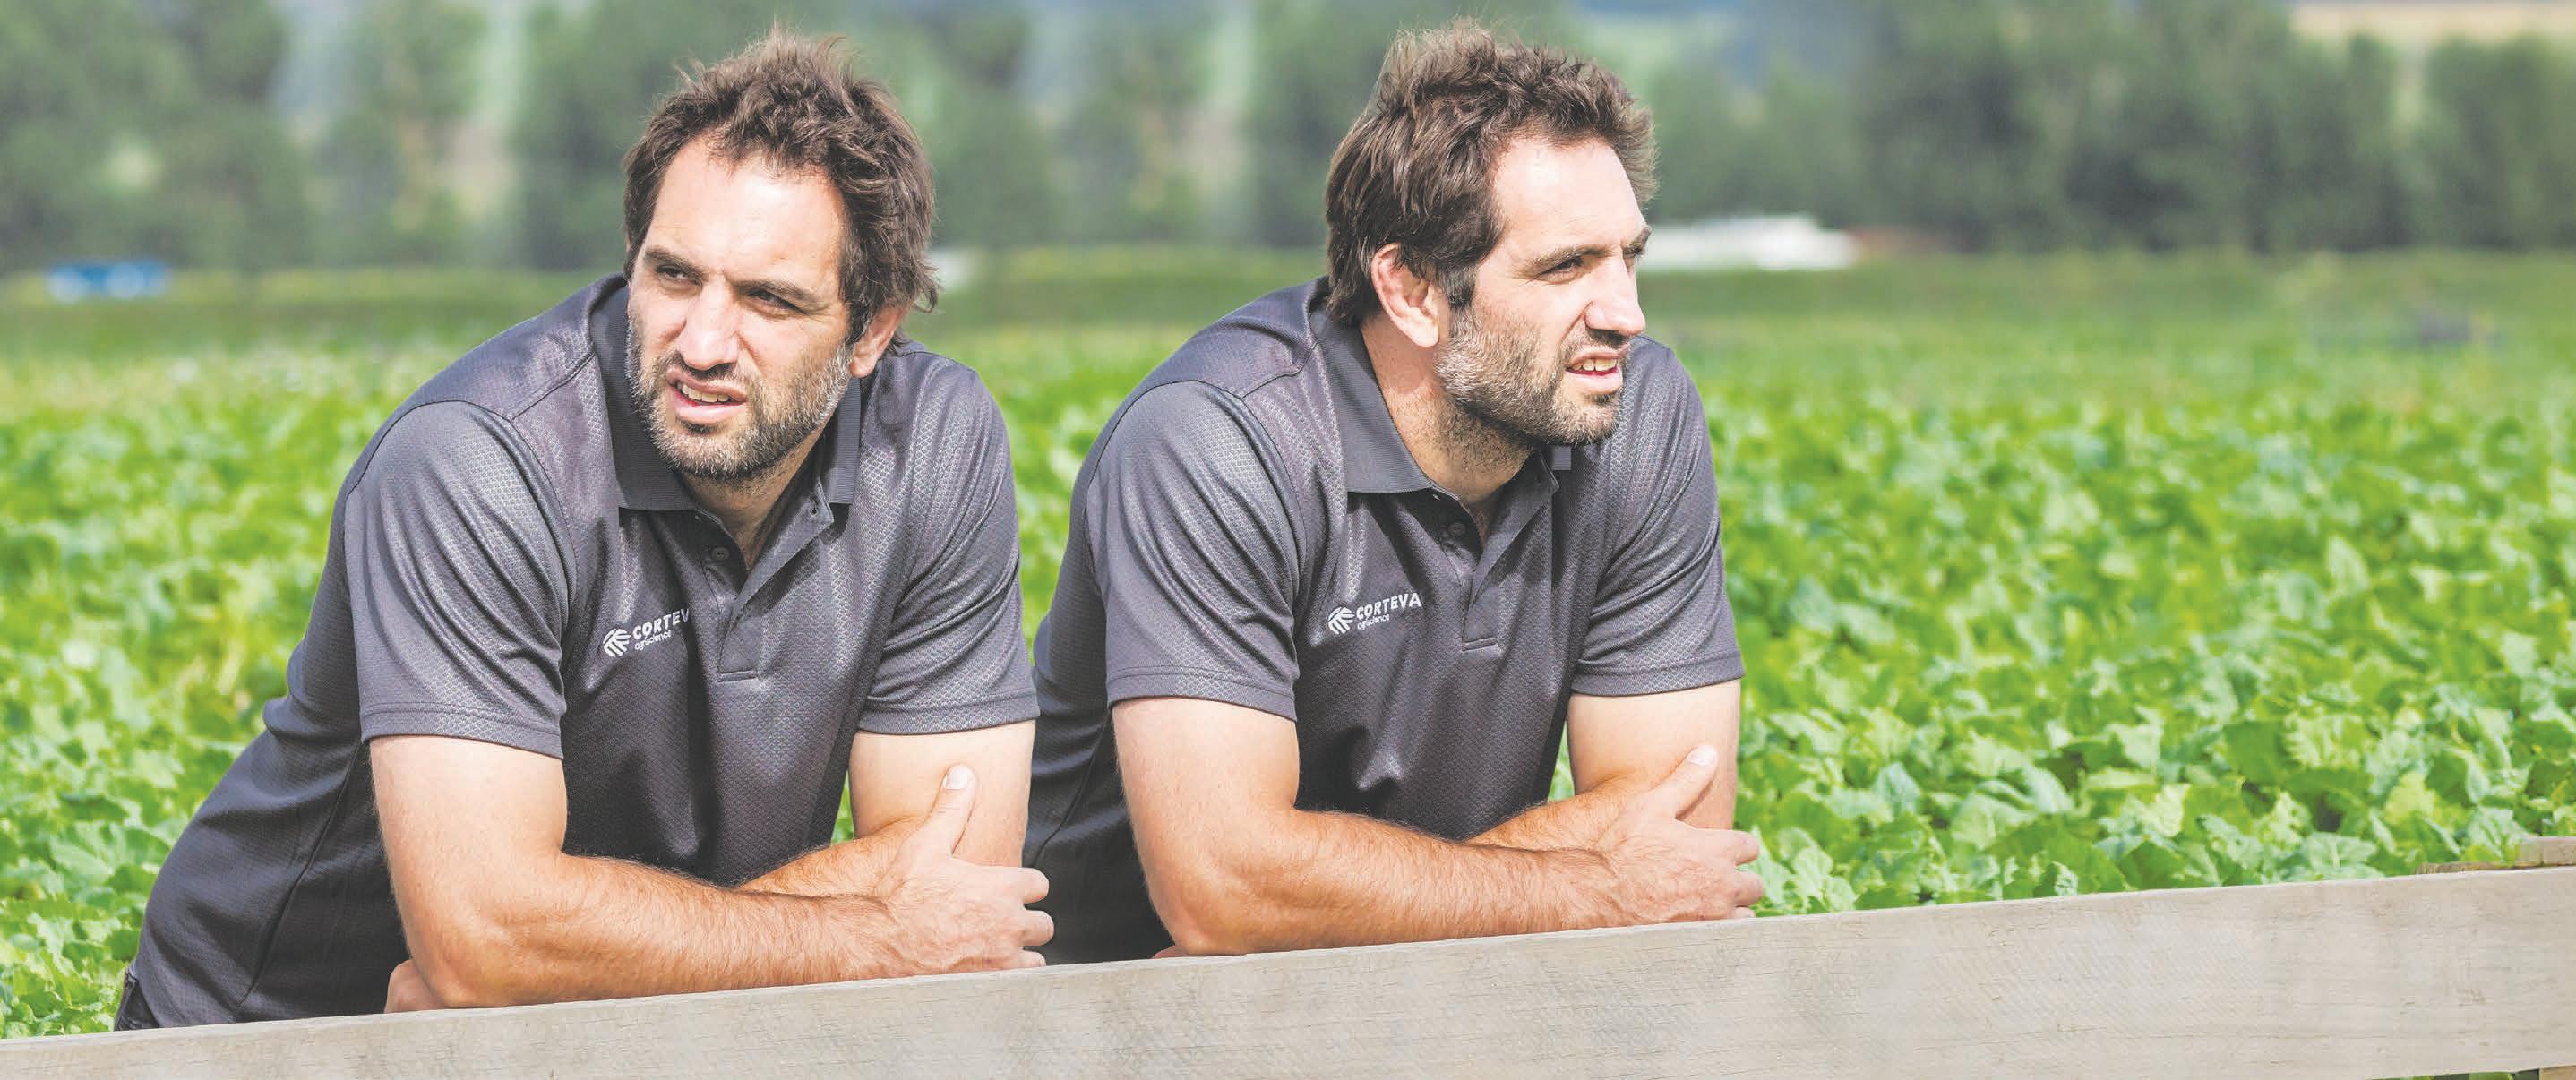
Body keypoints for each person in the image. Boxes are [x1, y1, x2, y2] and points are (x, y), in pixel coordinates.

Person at [116, 32, 1051, 1028]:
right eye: (675, 276)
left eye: (769, 300)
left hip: (588, 1027)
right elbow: (484, 940)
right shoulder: (475, 463)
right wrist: (872, 937)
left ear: (872, 330)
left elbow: (962, 874)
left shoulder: (934, 441)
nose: (702, 343)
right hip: (269, 1032)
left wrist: (566, 959)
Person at [1024, 23, 1763, 963]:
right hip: (1111, 997)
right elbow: (1223, 889)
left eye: (1629, 256)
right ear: (1412, 290)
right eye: (1566, 267)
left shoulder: (1635, 413)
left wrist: (1325, 901)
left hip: (1454, 974)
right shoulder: (1215, 441)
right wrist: (1595, 884)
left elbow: (1681, 824)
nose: (1627, 314)